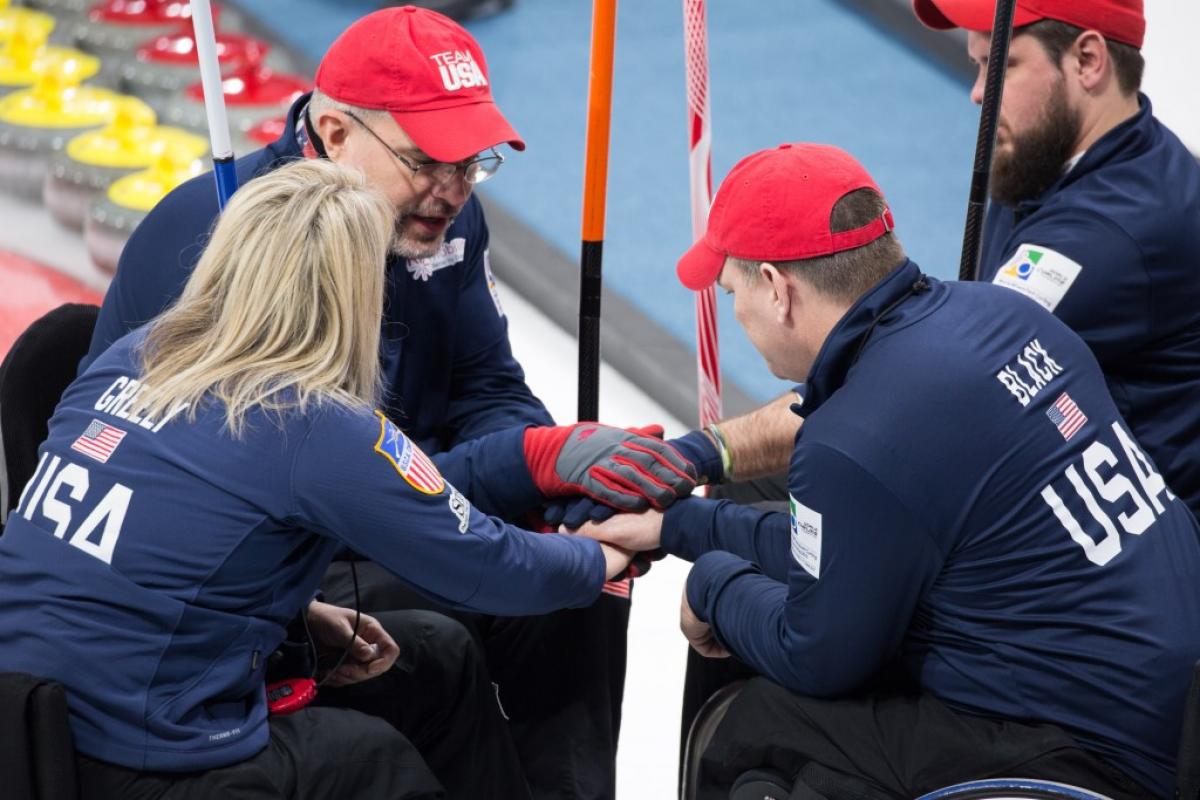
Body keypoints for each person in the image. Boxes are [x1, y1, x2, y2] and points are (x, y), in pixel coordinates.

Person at [80, 8, 695, 797]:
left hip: (396, 497)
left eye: (473, 163)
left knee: (580, 565)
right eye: (427, 161)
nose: (452, 190)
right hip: (289, 545)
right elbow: (306, 490)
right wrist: (524, 465)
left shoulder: (443, 216)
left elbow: (488, 382)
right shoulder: (224, 238)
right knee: (529, 581)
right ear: (335, 133)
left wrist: (551, 477)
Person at [0, 159, 651, 799]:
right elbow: (488, 564)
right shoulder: (308, 421)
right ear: (355, 290)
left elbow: (136, 542)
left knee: (435, 657)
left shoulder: (136, 352)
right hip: (140, 752)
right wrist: (600, 557)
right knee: (376, 766)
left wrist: (298, 617)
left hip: (28, 714)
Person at [580, 143, 1200, 799]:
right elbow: (854, 548)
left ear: (776, 288)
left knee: (752, 729)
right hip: (1166, 697)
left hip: (1091, 752)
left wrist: (710, 585)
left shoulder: (855, 437)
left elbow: (815, 654)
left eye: (732, 291)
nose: (734, 315)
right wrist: (680, 526)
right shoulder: (1003, 315)